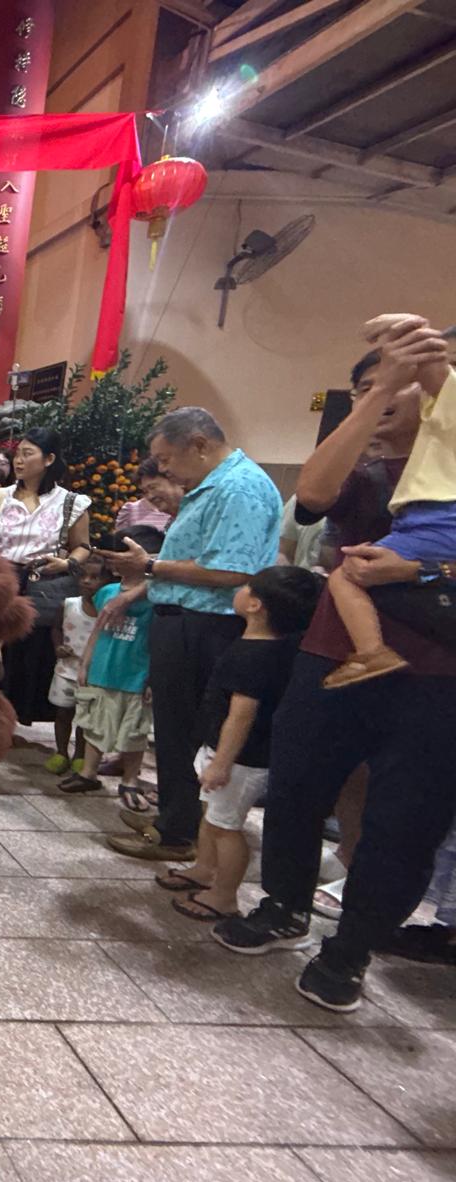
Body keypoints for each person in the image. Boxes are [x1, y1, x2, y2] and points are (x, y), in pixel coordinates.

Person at [212, 315, 456, 1012]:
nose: (395, 390)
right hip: (332, 653)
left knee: (405, 820)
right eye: (373, 382)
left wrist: (427, 568)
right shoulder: (369, 472)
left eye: (412, 381)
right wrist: (380, 390)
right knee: (296, 787)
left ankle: (350, 950)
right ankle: (284, 906)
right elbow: (314, 497)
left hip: (438, 670)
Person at [97, 408, 281, 862]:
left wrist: (150, 565)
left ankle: (180, 834)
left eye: (166, 459)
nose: (164, 470)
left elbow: (232, 570)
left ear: (199, 444)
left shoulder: (239, 488)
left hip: (208, 625)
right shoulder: (212, 485)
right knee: (174, 731)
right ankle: (174, 817)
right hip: (184, 620)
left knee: (187, 733)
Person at [162, 566, 321, 922]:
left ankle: (224, 896)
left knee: (226, 827)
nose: (241, 590)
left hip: (239, 759)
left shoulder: (254, 656)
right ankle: (204, 868)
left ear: (255, 605)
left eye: (248, 587)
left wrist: (221, 763)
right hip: (227, 752)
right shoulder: (271, 647)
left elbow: (241, 716)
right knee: (213, 815)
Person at [317, 316, 455, 687]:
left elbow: (433, 366)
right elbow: (313, 495)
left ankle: (372, 651)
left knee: (348, 573)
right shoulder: (437, 422)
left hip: (436, 519)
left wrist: (400, 327)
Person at [0, 427, 94, 734]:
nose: (18, 460)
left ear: (49, 459)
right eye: (17, 454)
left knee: (28, 654)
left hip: (41, 583)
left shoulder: (70, 502)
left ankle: (15, 719)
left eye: (27, 454)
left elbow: (83, 546)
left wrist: (67, 563)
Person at [61, 525, 166, 806]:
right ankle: (88, 772)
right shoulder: (107, 592)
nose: (112, 562)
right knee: (94, 725)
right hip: (102, 671)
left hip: (135, 676)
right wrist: (86, 662)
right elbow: (97, 629)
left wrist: (152, 677)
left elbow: (157, 640)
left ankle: (130, 779)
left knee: (134, 732)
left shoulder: (156, 597)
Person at [45, 558, 106, 776]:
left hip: (92, 675)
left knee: (85, 719)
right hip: (66, 670)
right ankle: (61, 752)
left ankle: (80, 755)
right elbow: (56, 628)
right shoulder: (69, 605)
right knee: (63, 713)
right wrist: (58, 647)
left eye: (95, 577)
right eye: (83, 576)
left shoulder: (108, 611)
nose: (87, 581)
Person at [116, 456, 179, 531]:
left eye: (153, 488)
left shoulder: (189, 511)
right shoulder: (131, 511)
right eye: (145, 492)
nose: (150, 496)